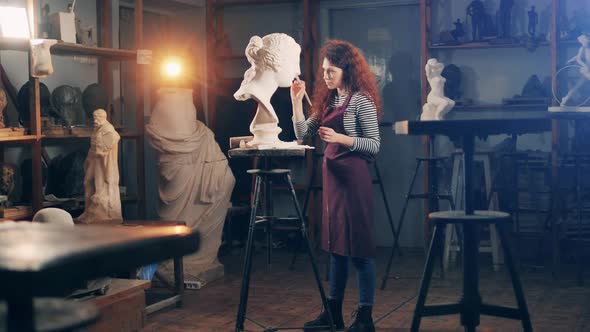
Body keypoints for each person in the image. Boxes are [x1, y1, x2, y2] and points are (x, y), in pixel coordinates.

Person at [291, 39, 381, 332]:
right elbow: (303, 132)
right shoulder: (329, 101)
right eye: (324, 71)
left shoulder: (361, 100)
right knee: (336, 249)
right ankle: (333, 314)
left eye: (332, 70)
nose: (326, 76)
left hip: (353, 182)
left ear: (347, 69)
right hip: (333, 184)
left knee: (360, 251)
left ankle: (365, 318)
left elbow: (374, 146)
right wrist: (296, 100)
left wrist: (342, 139)